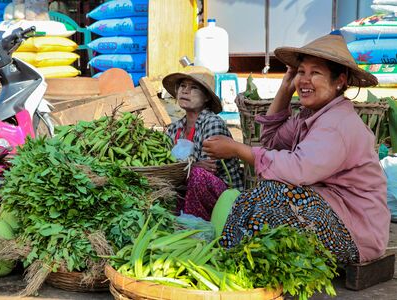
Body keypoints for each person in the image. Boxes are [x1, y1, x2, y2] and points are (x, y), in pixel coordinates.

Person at [202, 32, 390, 264]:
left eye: (316, 73)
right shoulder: (311, 115)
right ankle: (228, 259)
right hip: (331, 211)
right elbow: (270, 141)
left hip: (356, 233)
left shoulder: (338, 124)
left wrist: (237, 150)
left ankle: (232, 262)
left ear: (339, 81)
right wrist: (285, 89)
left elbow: (297, 170)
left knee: (271, 192)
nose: (304, 80)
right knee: (255, 197)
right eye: (302, 72)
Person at [162, 66, 243, 221]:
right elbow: (165, 166)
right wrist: (191, 166)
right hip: (186, 188)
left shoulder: (212, 123)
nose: (185, 91)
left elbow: (208, 169)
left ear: (206, 97)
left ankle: (194, 228)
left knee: (198, 175)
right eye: (182, 86)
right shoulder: (174, 128)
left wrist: (183, 168)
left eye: (193, 88)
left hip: (225, 194)